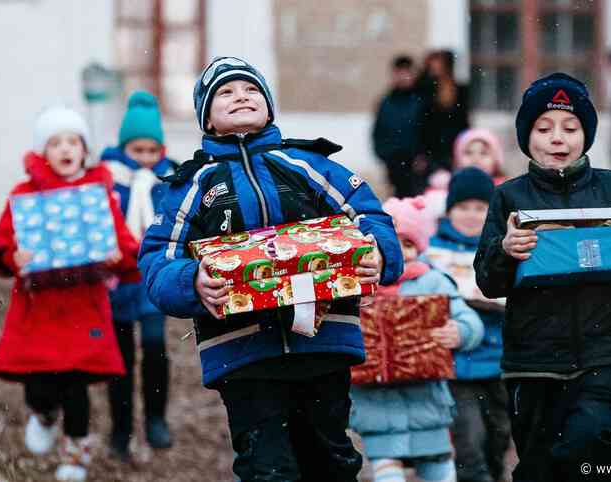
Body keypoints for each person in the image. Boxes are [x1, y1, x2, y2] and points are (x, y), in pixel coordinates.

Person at [137, 56, 404, 481]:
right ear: (206, 118)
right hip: (243, 354)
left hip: (324, 343)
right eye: (225, 92)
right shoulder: (190, 186)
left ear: (269, 106)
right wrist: (192, 282)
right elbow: (156, 259)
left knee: (332, 460)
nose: (241, 96)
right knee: (267, 467)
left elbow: (368, 214)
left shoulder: (311, 165)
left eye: (251, 90)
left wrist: (381, 254)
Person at [473, 72, 611, 482]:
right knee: (539, 465)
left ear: (587, 135)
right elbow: (489, 281)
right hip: (532, 360)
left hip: (602, 352)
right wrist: (505, 251)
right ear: (527, 136)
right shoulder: (509, 195)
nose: (557, 139)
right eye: (543, 129)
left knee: (591, 449)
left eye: (570, 128)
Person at [0, 106, 139, 482]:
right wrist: (13, 256)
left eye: (73, 140)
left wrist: (118, 257)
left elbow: (126, 248)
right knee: (39, 383)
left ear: (84, 149)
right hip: (39, 308)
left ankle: (76, 455)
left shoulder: (99, 195)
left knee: (76, 385)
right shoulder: (24, 194)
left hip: (84, 307)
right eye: (55, 142)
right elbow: (2, 246)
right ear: (43, 151)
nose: (65, 148)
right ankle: (43, 412)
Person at [350, 196, 483, 482]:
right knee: (388, 475)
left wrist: (459, 331)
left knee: (440, 472)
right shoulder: (356, 290)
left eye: (407, 244)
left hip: (429, 408)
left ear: (420, 247)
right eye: (388, 243)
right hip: (376, 411)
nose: (397, 252)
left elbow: (470, 321)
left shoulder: (433, 281)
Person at [100, 91, 177, 460]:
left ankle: (156, 418)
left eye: (152, 151)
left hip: (150, 279)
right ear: (124, 147)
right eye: (138, 151)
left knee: (155, 346)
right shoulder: (108, 180)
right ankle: (121, 427)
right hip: (116, 281)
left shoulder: (169, 179)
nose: (146, 159)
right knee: (120, 357)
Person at [427, 167, 511, 482]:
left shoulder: (504, 248)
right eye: (463, 207)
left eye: (480, 208)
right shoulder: (432, 252)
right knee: (468, 444)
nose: (471, 215)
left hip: (500, 362)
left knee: (499, 437)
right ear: (449, 210)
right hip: (457, 366)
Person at [371, 55, 428, 197]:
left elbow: (429, 131)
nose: (403, 77)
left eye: (406, 73)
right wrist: (384, 154)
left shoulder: (422, 100)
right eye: (399, 73)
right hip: (394, 163)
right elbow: (378, 131)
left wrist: (424, 155)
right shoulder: (386, 102)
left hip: (418, 166)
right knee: (398, 203)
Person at [419, 50, 470, 173]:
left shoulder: (459, 90)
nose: (435, 70)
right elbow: (421, 124)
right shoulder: (425, 90)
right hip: (431, 151)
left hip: (452, 148)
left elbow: (462, 121)